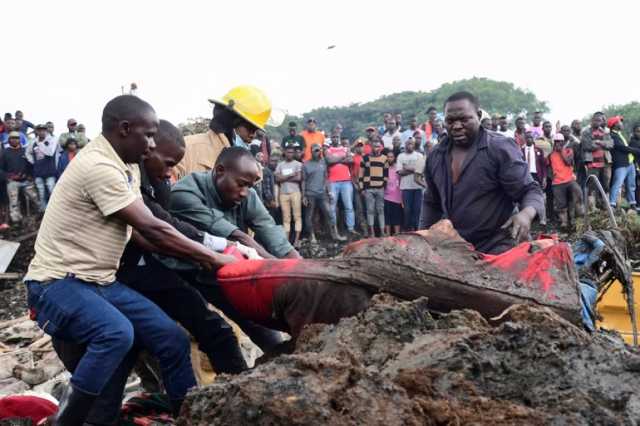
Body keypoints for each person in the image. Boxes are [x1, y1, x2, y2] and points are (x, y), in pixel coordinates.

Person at [24, 95, 237, 423]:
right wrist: (214, 258)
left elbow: (140, 232)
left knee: (171, 337)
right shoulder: (99, 166)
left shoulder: (127, 167)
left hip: (101, 282)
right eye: (148, 135)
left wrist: (198, 255)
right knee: (116, 333)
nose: (152, 144)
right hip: (57, 282)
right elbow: (151, 227)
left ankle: (187, 415)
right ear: (125, 129)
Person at [421, 91, 544, 254]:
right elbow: (432, 203)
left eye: (464, 119)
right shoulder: (435, 156)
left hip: (499, 244)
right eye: (450, 121)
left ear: (478, 115)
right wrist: (422, 239)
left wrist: (526, 214)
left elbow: (530, 190)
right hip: (456, 246)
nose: (457, 126)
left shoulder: (500, 148)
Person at [174, 85, 271, 179]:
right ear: (231, 121)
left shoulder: (250, 164)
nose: (253, 135)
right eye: (250, 128)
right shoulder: (187, 148)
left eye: (256, 131)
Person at [302, 143, 339, 242]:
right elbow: (303, 181)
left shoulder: (323, 162)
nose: (317, 152)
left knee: (330, 213)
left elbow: (326, 178)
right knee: (309, 216)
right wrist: (303, 196)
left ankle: (335, 234)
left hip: (322, 194)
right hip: (310, 194)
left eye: (319, 150)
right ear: (311, 152)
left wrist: (330, 191)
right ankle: (311, 236)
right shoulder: (306, 164)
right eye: (315, 151)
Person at [0, 132, 39, 224]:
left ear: (19, 139)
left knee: (35, 197)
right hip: (12, 181)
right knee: (13, 202)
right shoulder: (4, 152)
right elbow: (0, 169)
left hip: (26, 181)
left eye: (17, 138)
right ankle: (16, 221)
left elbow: (31, 165)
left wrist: (30, 176)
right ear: (9, 140)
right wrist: (8, 177)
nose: (14, 140)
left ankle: (40, 214)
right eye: (12, 138)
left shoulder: (25, 151)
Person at [547, 134, 584, 227]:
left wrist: (562, 151)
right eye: (556, 141)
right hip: (557, 183)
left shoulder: (568, 151)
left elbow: (569, 162)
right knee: (561, 205)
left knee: (578, 194)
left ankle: (579, 219)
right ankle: (564, 222)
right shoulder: (550, 155)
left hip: (569, 180)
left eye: (560, 141)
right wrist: (553, 176)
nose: (558, 143)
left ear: (563, 142)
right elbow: (547, 167)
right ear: (553, 143)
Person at [325, 133, 357, 238]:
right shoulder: (328, 150)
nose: (335, 138)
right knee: (332, 207)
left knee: (349, 206)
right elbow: (329, 160)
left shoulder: (345, 148)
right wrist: (342, 158)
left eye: (337, 137)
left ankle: (351, 228)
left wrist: (336, 159)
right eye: (333, 137)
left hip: (346, 181)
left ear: (339, 138)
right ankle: (334, 230)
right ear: (331, 138)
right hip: (332, 182)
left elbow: (351, 160)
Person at [608, 116, 640, 211]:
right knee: (617, 184)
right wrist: (637, 151)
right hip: (621, 164)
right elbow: (622, 148)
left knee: (631, 185)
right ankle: (612, 204)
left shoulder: (619, 134)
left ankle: (632, 204)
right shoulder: (612, 136)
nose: (622, 124)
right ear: (614, 125)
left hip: (629, 164)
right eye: (620, 122)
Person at [581, 112, 613, 206]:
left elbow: (611, 144)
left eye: (599, 120)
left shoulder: (604, 132)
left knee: (606, 186)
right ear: (592, 120)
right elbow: (587, 146)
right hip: (592, 164)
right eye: (596, 120)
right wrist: (603, 143)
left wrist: (599, 142)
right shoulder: (586, 132)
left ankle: (606, 206)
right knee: (592, 186)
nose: (598, 122)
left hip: (605, 163)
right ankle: (592, 209)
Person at [26, 124, 58, 212]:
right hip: (38, 171)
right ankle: (43, 212)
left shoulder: (52, 140)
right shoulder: (33, 142)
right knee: (41, 192)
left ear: (46, 131)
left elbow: (50, 152)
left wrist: (40, 144)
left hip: (49, 171)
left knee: (51, 191)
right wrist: (33, 161)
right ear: (36, 131)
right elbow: (27, 153)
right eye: (39, 130)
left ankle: (54, 211)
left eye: (43, 130)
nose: (41, 131)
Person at [359, 139, 388, 237]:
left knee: (380, 210)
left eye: (378, 146)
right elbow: (361, 174)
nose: (376, 148)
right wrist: (362, 188)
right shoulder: (365, 158)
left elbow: (386, 174)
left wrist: (384, 186)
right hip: (368, 188)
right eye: (374, 146)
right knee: (370, 210)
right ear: (371, 147)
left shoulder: (384, 158)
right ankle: (372, 233)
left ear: (381, 147)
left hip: (380, 188)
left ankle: (382, 232)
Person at [276, 146, 303, 247]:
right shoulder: (280, 165)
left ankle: (296, 240)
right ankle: (286, 241)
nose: (290, 154)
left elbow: (299, 178)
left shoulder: (298, 164)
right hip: (283, 194)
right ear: (284, 153)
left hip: (295, 192)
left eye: (291, 152)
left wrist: (284, 178)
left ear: (294, 153)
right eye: (288, 152)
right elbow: (277, 179)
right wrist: (291, 175)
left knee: (297, 217)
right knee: (286, 218)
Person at [396, 137, 424, 231]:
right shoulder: (400, 156)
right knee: (407, 210)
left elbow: (422, 171)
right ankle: (407, 229)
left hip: (418, 187)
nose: (410, 145)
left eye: (412, 144)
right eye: (408, 144)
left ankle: (416, 230)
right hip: (406, 188)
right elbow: (400, 172)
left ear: (414, 145)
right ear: (405, 145)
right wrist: (415, 169)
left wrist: (407, 168)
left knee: (417, 210)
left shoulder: (419, 156)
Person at [522, 130, 547, 225]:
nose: (529, 139)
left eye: (530, 137)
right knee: (526, 196)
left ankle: (543, 218)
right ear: (525, 139)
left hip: (537, 176)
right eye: (527, 137)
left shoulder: (538, 150)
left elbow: (543, 165)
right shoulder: (521, 150)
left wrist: (544, 177)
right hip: (525, 176)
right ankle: (529, 218)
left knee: (540, 196)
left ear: (533, 139)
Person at [383, 149, 403, 235]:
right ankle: (387, 234)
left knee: (396, 216)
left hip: (397, 196)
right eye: (388, 157)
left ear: (394, 158)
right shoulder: (384, 167)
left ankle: (397, 234)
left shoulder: (398, 168)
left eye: (391, 157)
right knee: (387, 216)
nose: (389, 158)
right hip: (386, 195)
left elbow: (401, 181)